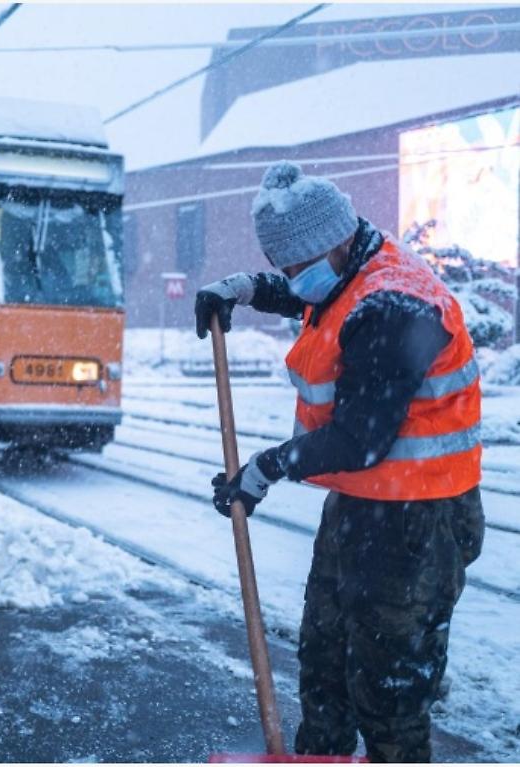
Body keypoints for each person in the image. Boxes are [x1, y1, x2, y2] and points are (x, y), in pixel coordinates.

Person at [196, 162, 484, 763]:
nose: (293, 281)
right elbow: (317, 297)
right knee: (325, 668)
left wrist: (267, 469)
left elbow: (360, 439)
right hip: (362, 506)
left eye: (295, 268)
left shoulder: (394, 305)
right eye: (285, 269)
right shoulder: (348, 271)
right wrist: (247, 288)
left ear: (336, 242)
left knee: (387, 694)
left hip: (418, 523)